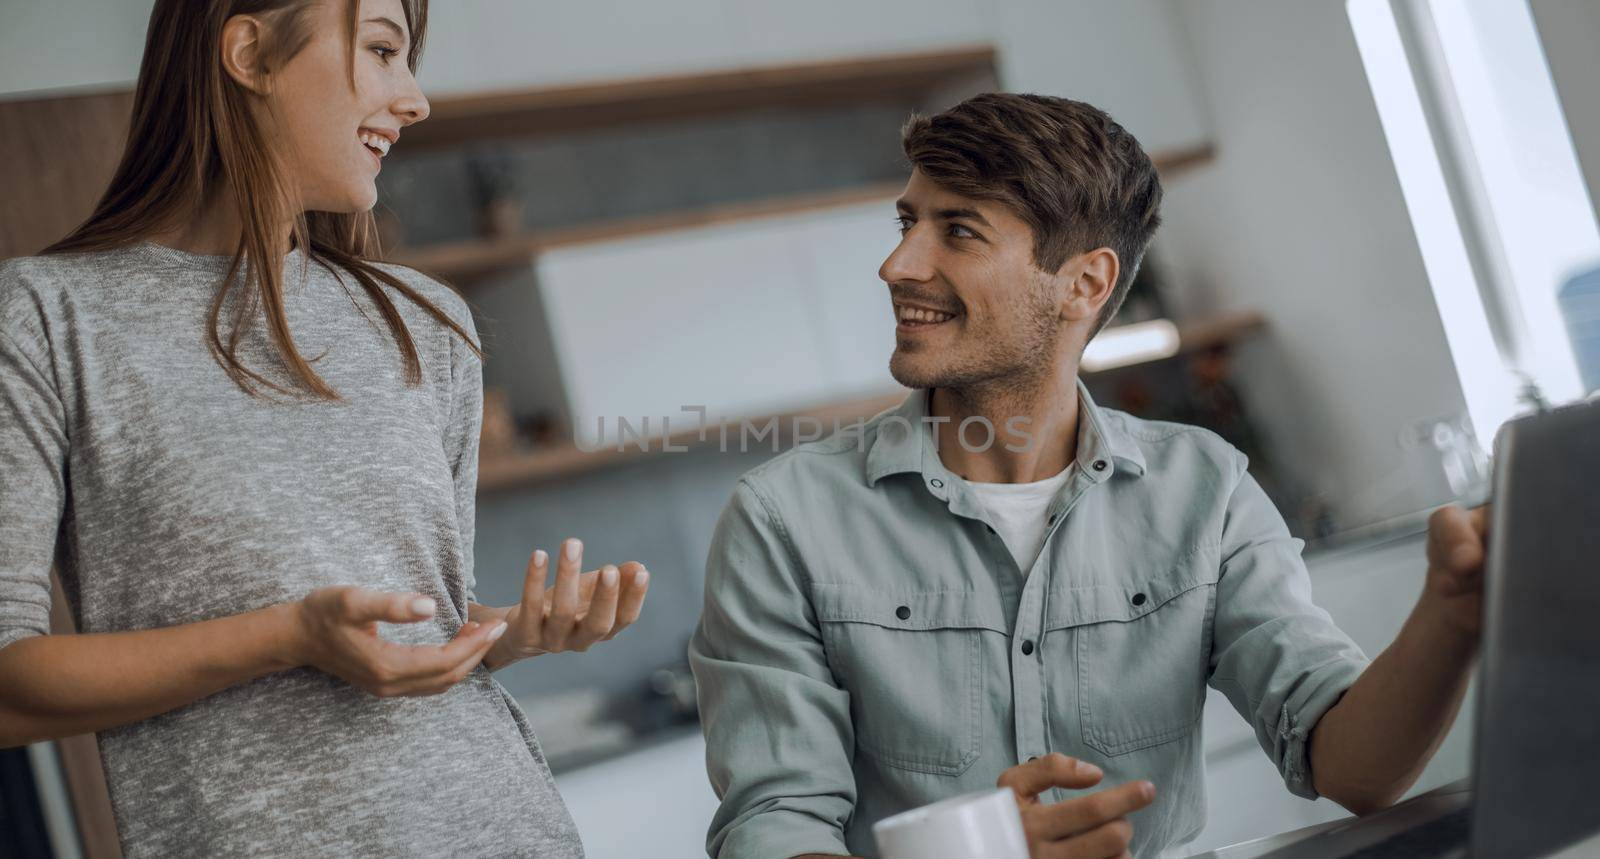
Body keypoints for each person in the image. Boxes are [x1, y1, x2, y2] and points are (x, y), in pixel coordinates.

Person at [689, 93, 1488, 859]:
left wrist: (1451, 618)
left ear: (1085, 283)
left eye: (958, 230)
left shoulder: (1203, 492)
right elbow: (772, 830)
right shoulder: (783, 519)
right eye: (907, 223)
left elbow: (1353, 766)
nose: (897, 264)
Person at [0, 1, 649, 855]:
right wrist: (287, 635)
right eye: (382, 50)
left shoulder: (429, 324)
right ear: (248, 51)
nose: (414, 99)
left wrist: (506, 633)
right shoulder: (47, 320)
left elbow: (407, 630)